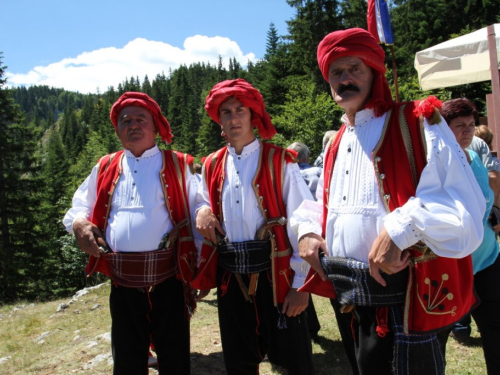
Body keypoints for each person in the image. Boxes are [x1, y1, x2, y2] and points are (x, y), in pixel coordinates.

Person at [290, 28, 486, 375]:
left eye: (355, 68)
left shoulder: (417, 120)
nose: (344, 78)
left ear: (374, 73)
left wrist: (399, 229)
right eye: (336, 72)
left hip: (405, 298)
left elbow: (461, 202)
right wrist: (306, 231)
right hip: (352, 296)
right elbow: (321, 204)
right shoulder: (336, 142)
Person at [63, 92, 201, 375]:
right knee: (127, 359)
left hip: (169, 279)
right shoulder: (104, 166)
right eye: (126, 121)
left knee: (174, 358)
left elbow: (202, 206)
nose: (133, 125)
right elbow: (79, 206)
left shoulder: (179, 164)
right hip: (122, 282)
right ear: (118, 129)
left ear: (156, 126)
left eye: (141, 119)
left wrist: (199, 267)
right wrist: (78, 223)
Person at [192, 79, 315, 375]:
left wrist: (302, 285)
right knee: (239, 361)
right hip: (230, 279)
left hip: (278, 279)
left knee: (294, 361)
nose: (234, 118)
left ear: (253, 117)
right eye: (226, 112)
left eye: (240, 111)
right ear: (219, 121)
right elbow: (198, 201)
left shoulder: (279, 160)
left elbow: (305, 219)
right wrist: (203, 208)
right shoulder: (210, 165)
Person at [436, 98, 500, 374]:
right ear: (443, 128)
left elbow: (487, 195)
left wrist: (495, 209)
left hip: (487, 258)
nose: (468, 131)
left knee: (496, 329)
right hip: (449, 266)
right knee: (436, 335)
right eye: (459, 125)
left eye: (472, 125)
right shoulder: (433, 164)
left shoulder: (475, 158)